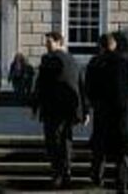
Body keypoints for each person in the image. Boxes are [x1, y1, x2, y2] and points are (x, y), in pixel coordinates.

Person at [84, 33, 128, 192]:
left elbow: (88, 88)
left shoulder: (95, 63)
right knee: (122, 151)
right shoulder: (127, 63)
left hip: (102, 111)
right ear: (114, 45)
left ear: (101, 46)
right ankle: (121, 182)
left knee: (99, 147)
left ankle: (97, 176)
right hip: (122, 112)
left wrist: (92, 104)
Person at [30, 31, 83, 189]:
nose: (46, 45)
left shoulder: (48, 59)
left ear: (59, 42)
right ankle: (66, 171)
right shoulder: (73, 59)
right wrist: (84, 110)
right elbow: (80, 85)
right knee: (66, 140)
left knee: (53, 141)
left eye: (49, 42)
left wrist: (35, 106)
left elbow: (42, 84)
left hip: (53, 108)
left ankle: (58, 173)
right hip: (70, 108)